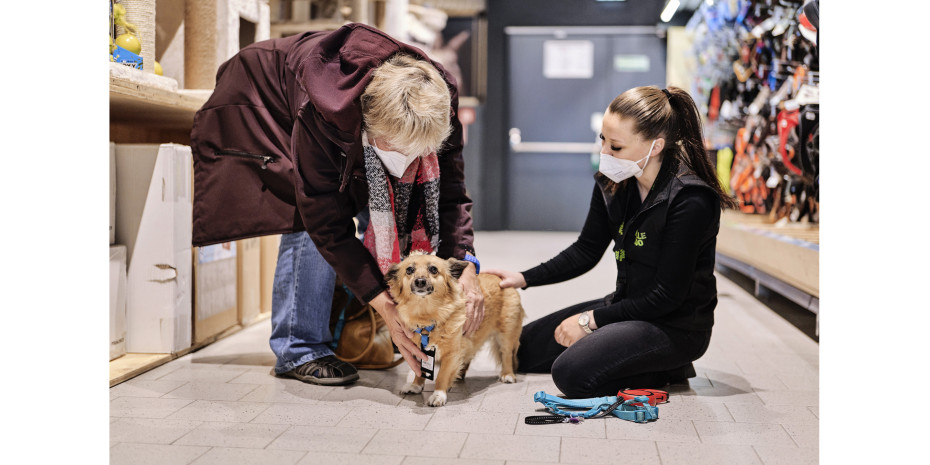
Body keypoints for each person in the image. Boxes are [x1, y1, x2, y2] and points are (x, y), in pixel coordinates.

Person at [190, 23, 485, 386]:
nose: (411, 161)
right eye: (401, 150)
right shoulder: (324, 112)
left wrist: (465, 263)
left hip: (348, 123)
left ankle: (360, 327)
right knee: (306, 219)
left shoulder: (438, 98)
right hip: (262, 100)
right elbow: (325, 221)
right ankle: (299, 347)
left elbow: (451, 192)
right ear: (368, 128)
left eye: (422, 151)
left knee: (399, 204)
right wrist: (386, 307)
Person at [485, 86, 738, 398]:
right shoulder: (613, 183)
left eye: (616, 147)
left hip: (676, 325)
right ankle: (630, 354)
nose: (605, 153)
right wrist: (524, 278)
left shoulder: (690, 200)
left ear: (655, 146)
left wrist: (590, 322)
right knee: (519, 349)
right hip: (629, 306)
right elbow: (586, 250)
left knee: (571, 374)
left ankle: (667, 366)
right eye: (602, 140)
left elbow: (666, 297)